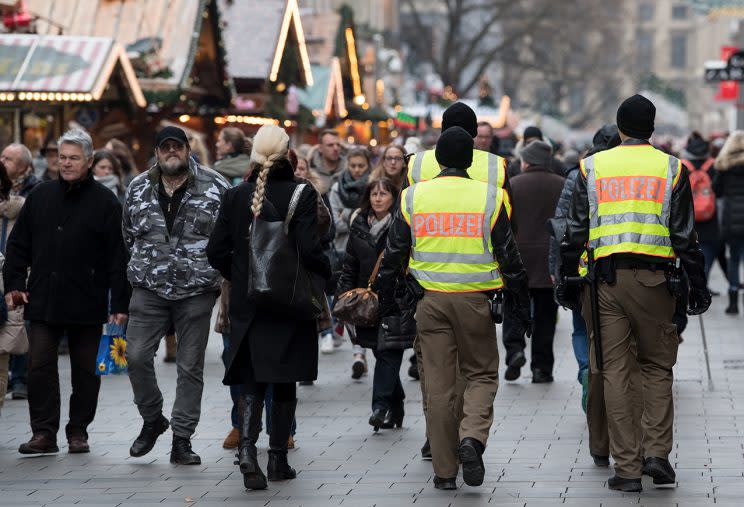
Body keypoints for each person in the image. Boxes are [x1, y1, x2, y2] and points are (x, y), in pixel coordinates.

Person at [558, 94, 711, 492]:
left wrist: (565, 279)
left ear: (620, 128)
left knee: (615, 372)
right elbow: (684, 235)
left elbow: (575, 232)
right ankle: (657, 454)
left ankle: (626, 469)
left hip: (605, 282)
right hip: (656, 281)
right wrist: (698, 285)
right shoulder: (671, 168)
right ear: (653, 129)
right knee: (657, 368)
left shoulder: (591, 167)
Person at [375, 127, 530, 490]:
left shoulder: (414, 196)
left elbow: (395, 252)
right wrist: (521, 305)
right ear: (470, 159)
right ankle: (471, 438)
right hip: (476, 302)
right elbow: (509, 255)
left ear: (439, 160)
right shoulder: (489, 197)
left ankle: (444, 472)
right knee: (481, 374)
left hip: (429, 302)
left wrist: (385, 297)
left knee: (439, 388)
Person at [207, 125, 331, 491]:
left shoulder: (236, 196)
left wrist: (241, 272)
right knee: (285, 378)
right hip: (289, 303)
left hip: (250, 302)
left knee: (252, 378)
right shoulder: (302, 194)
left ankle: (247, 450)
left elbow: (215, 252)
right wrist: (328, 273)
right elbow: (310, 250)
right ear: (288, 154)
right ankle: (277, 459)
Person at [3, 128, 130, 454]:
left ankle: (78, 431)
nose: (67, 163)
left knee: (86, 371)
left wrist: (120, 302)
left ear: (89, 161)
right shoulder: (41, 197)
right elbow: (18, 246)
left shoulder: (105, 202)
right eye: (63, 158)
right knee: (40, 366)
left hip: (87, 298)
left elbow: (118, 255)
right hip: (44, 297)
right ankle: (43, 433)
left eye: (74, 158)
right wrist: (15, 284)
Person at [405, 101, 513, 459]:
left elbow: (405, 225)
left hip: (428, 284)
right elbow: (505, 228)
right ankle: (469, 432)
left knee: (436, 375)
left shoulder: (417, 165)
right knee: (475, 368)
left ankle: (438, 444)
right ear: (474, 135)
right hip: (475, 285)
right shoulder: (496, 168)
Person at [123, 126, 229, 465]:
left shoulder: (215, 186)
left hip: (196, 289)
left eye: (177, 146)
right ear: (156, 152)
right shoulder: (138, 187)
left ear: (187, 149)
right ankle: (153, 418)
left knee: (190, 366)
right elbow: (127, 234)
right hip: (148, 287)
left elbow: (227, 237)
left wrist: (215, 276)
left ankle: (182, 439)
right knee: (136, 356)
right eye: (165, 147)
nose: (172, 152)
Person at [336, 178, 411, 424]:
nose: (378, 198)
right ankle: (396, 406)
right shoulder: (358, 226)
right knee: (381, 354)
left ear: (393, 198)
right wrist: (344, 297)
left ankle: (379, 408)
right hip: (367, 305)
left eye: (384, 193)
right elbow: (349, 266)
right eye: (374, 194)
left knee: (389, 353)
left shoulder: (403, 224)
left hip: (395, 301)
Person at [503, 140, 565, 383]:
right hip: (549, 262)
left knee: (513, 308)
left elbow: (504, 224)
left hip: (519, 259)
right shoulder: (561, 185)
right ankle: (542, 367)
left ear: (526, 161)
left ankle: (515, 350)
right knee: (546, 317)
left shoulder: (513, 185)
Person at [1, 143, 40, 401]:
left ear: (24, 166)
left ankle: (20, 378)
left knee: (18, 324)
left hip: (19, 268)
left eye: (10, 158)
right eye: (2, 156)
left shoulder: (34, 191)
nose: (3, 161)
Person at [328, 148, 370, 356]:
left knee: (361, 300)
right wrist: (357, 218)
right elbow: (335, 223)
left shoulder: (373, 187)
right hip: (342, 249)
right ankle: (355, 347)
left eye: (361, 166)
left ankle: (359, 350)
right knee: (346, 299)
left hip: (367, 252)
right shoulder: (337, 189)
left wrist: (347, 215)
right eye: (353, 165)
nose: (356, 170)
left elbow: (373, 221)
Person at [713, 131, 744, 314]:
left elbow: (716, 190)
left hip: (731, 218)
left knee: (734, 259)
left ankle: (733, 301)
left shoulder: (723, 166)